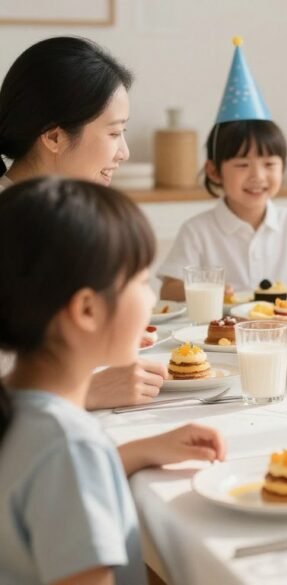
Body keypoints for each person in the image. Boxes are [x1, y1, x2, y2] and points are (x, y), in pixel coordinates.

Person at [0, 177, 226, 584]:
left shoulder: (18, 408)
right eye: (141, 281)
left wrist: (141, 451)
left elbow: (46, 492)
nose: (152, 298)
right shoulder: (69, 449)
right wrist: (92, 457)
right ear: (87, 309)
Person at [0, 36, 166, 409]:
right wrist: (84, 392)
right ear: (54, 136)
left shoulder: (63, 219)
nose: (123, 152)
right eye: (113, 132)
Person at [159, 38, 287, 299]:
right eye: (243, 164)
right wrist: (203, 290)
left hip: (280, 330)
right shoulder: (197, 231)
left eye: (269, 164)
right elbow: (168, 289)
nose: (258, 176)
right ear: (213, 171)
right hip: (221, 334)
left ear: (283, 168)